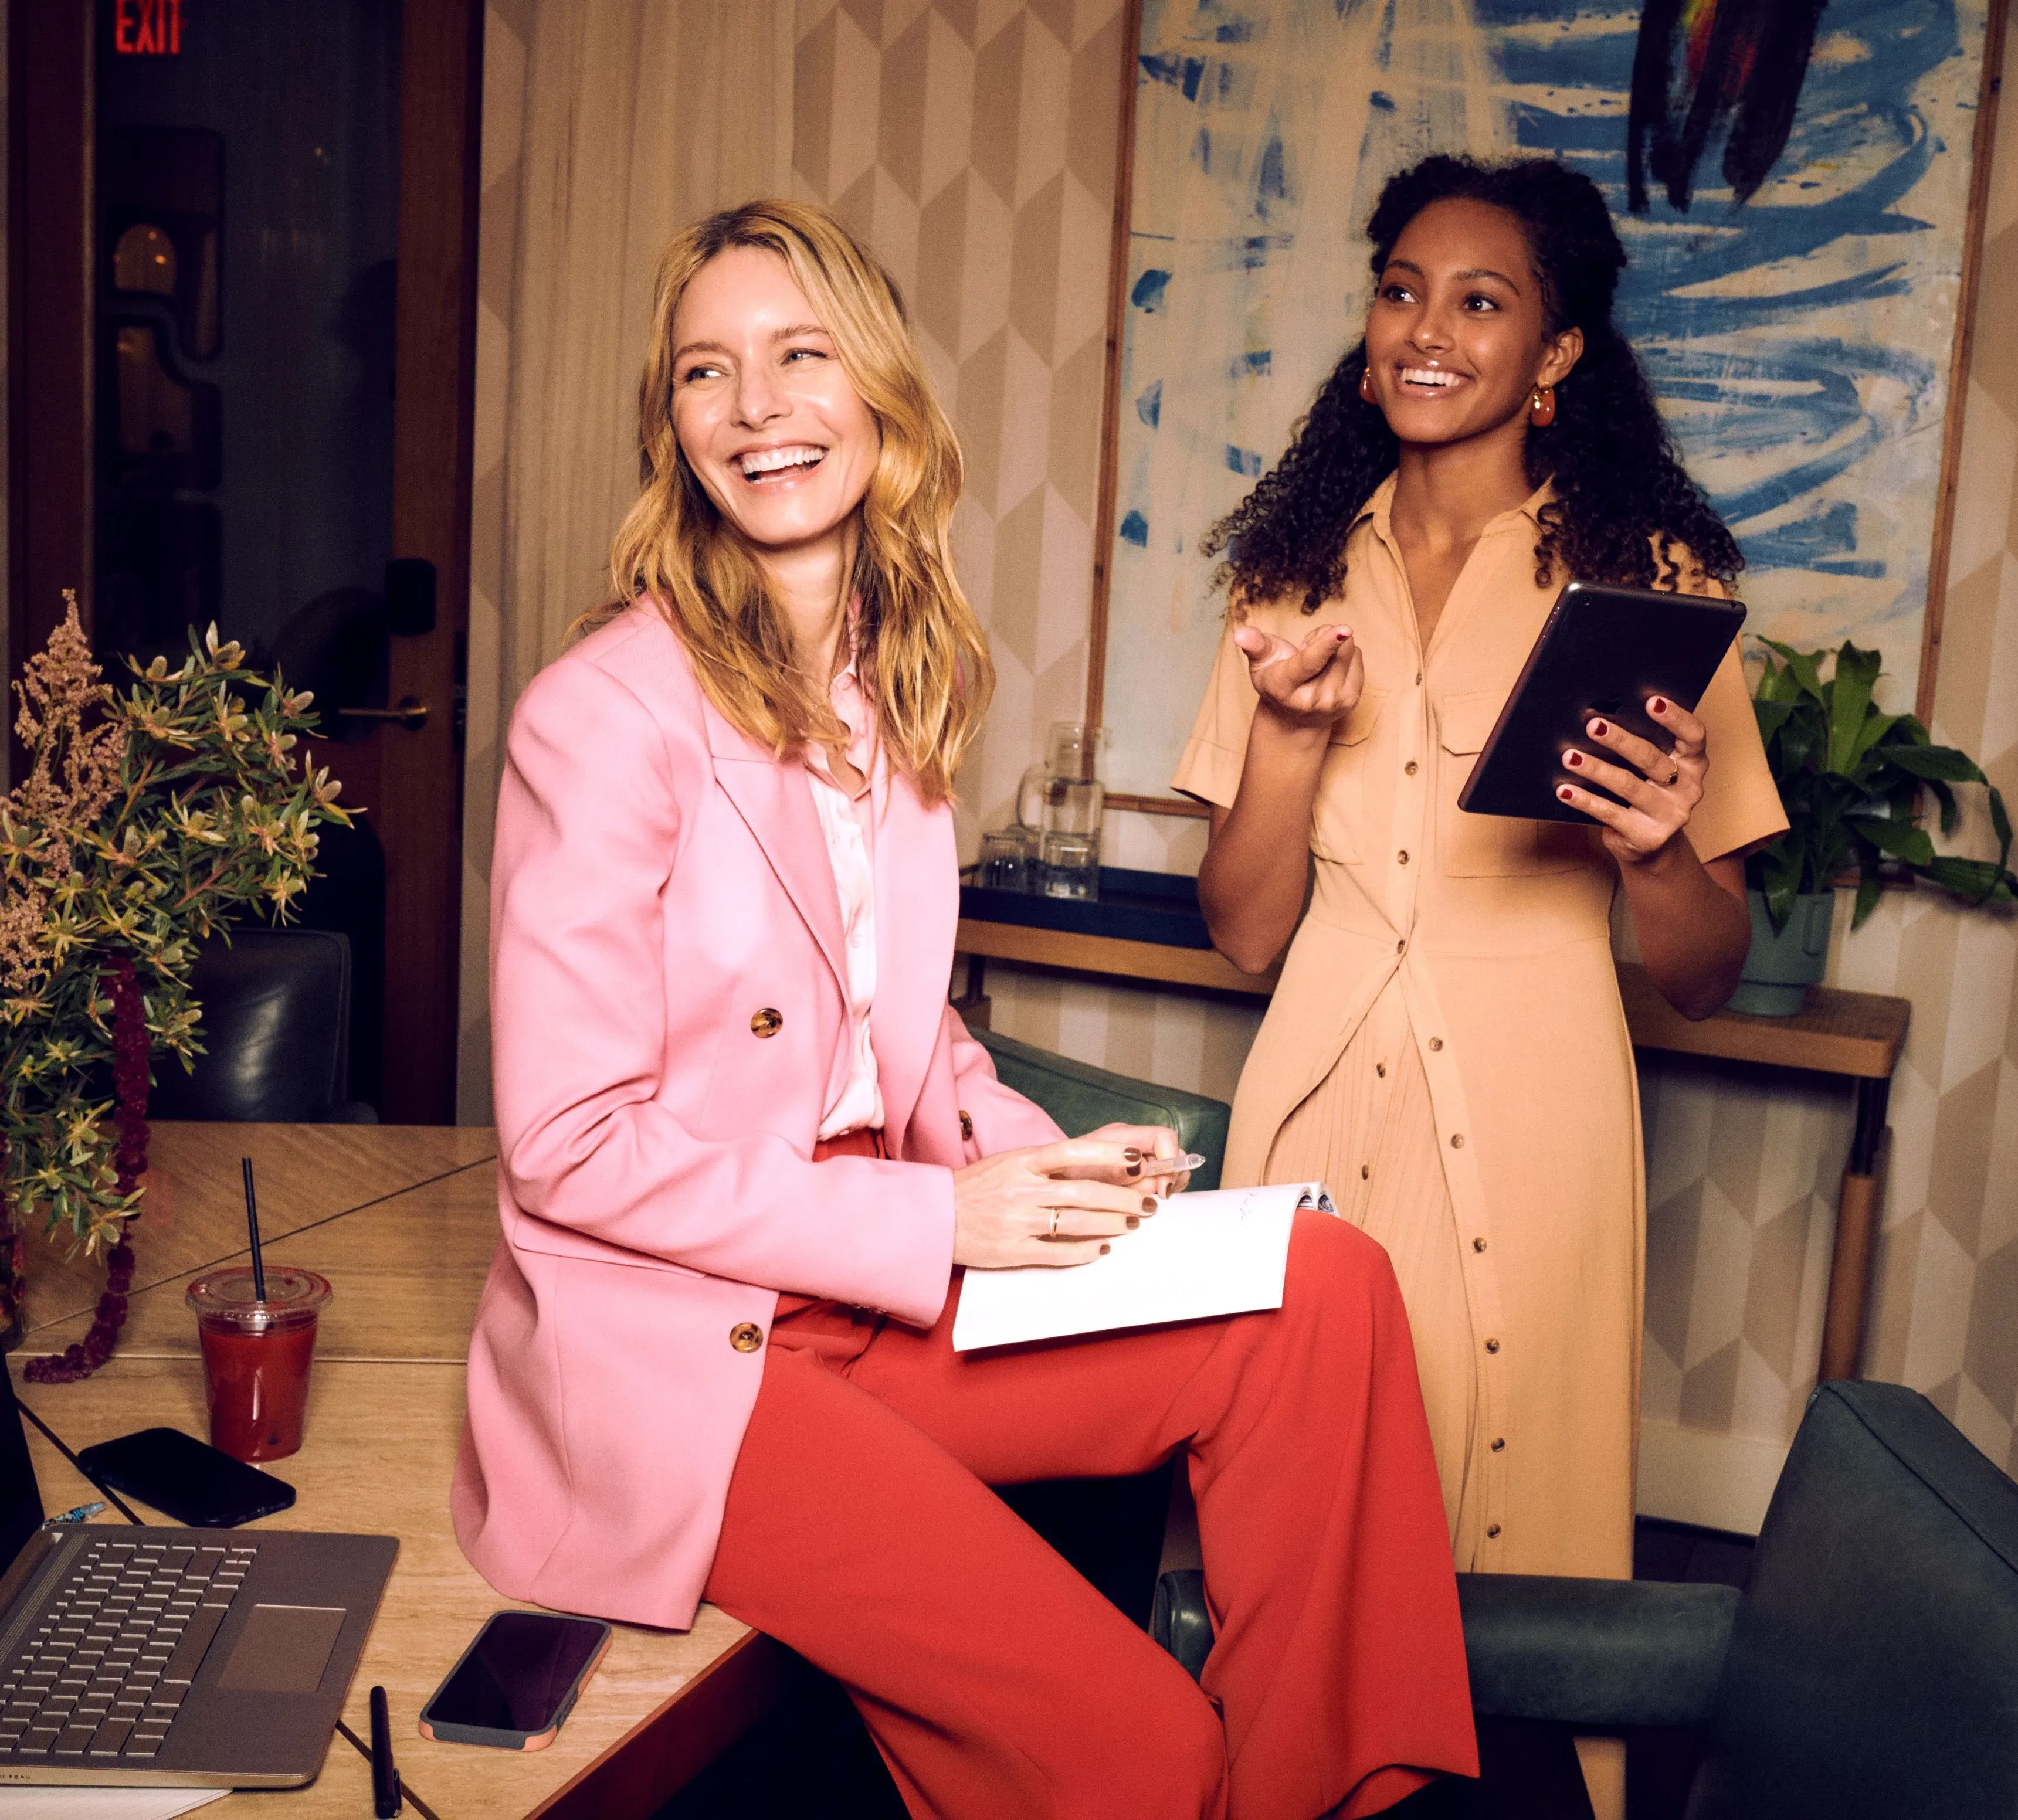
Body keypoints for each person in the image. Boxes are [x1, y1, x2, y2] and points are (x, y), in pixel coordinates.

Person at [452, 198, 1476, 1820]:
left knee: (1323, 1291)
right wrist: (947, 1218)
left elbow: (900, 1036)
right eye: (708, 372)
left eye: (801, 355)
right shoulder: (601, 716)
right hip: (697, 1356)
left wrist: (1043, 1165)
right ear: (674, 427)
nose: (758, 407)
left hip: (882, 1289)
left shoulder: (893, 688)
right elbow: (568, 1148)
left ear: (879, 393)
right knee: (1142, 1751)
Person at [1175, 154, 1786, 1819]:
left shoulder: (1652, 579)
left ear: (1559, 352)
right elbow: (1242, 933)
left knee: (1517, 1518)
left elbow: (1708, 975)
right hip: (1312, 1089)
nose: (1426, 330)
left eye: (1480, 300)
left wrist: (1656, 852)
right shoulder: (1291, 569)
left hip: (1538, 1098)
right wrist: (1286, 748)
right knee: (1280, 1519)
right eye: (1400, 290)